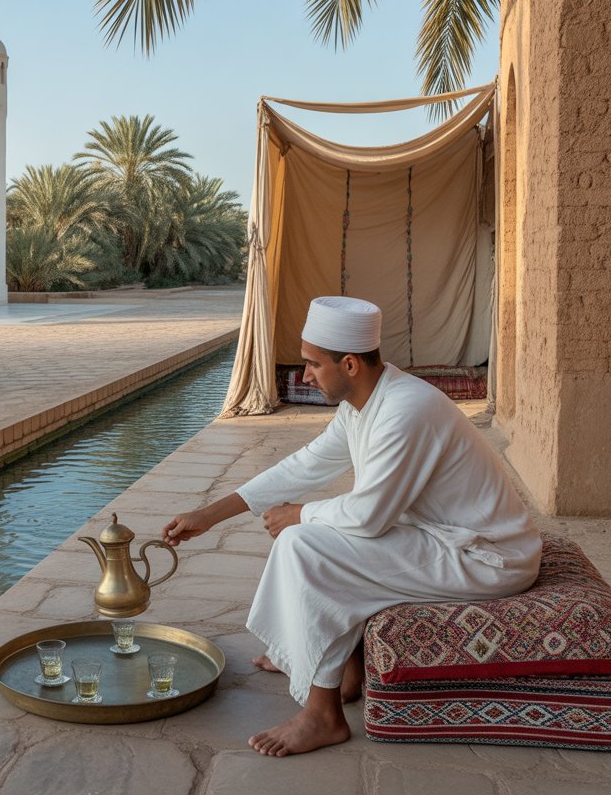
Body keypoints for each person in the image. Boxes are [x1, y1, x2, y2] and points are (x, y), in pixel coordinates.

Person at [162, 295, 541, 758]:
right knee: (317, 541)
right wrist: (209, 514)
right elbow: (305, 465)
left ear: (349, 364)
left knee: (307, 546)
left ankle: (322, 716)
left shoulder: (406, 410)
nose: (304, 377)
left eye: (312, 366)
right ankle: (340, 669)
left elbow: (369, 516)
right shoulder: (365, 404)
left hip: (486, 557)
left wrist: (300, 514)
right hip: (443, 540)